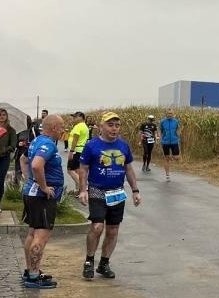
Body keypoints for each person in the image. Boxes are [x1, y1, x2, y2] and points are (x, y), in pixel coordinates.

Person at [78, 112, 141, 280]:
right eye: (110, 125)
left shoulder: (123, 145)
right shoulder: (92, 145)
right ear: (101, 127)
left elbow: (128, 168)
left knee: (113, 230)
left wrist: (135, 190)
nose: (114, 129)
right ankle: (89, 261)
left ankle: (104, 263)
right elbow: (83, 169)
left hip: (117, 192)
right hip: (97, 190)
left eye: (117, 125)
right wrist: (83, 190)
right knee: (97, 227)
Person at [20, 113, 66, 287]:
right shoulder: (48, 144)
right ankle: (33, 276)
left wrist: (29, 179)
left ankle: (30, 270)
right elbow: (36, 164)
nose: (63, 131)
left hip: (31, 193)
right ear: (54, 127)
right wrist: (44, 186)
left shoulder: (37, 141)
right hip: (41, 197)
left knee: (32, 233)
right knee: (41, 235)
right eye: (61, 127)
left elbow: (23, 159)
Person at [66, 111, 90, 192]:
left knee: (70, 170)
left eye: (75, 117)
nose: (73, 118)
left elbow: (75, 139)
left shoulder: (78, 126)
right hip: (81, 150)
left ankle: (83, 187)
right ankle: (78, 189)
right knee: (77, 170)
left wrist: (71, 152)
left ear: (81, 117)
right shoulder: (85, 126)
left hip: (76, 150)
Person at [159, 108, 181, 180]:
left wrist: (178, 138)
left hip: (174, 141)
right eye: (168, 113)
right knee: (166, 158)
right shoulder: (162, 122)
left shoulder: (176, 121)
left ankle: (172, 156)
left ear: (173, 114)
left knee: (176, 157)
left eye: (171, 113)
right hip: (165, 142)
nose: (170, 115)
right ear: (166, 114)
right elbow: (161, 131)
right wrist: (160, 139)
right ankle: (167, 174)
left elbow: (178, 130)